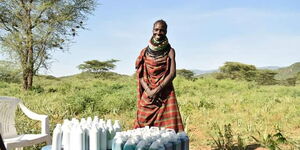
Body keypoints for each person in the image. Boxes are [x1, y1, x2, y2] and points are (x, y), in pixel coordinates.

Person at [134, 19, 184, 132]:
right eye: (156, 29)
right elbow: (140, 74)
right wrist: (149, 91)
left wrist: (157, 90)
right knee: (142, 119)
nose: (158, 32)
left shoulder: (170, 51)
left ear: (166, 32)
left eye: (162, 30)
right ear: (152, 30)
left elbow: (172, 74)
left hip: (165, 92)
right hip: (148, 93)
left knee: (167, 129)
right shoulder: (144, 52)